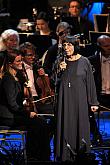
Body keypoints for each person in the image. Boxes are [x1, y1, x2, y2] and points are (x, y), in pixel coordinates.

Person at [0, 48, 50, 161]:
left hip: (14, 113)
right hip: (7, 116)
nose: (21, 63)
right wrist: (28, 113)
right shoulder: (8, 79)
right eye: (18, 61)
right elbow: (12, 105)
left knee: (42, 123)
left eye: (21, 60)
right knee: (39, 124)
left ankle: (39, 154)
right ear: (10, 64)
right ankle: (34, 156)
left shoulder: (17, 77)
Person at [55, 35, 99, 162]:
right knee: (66, 122)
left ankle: (82, 154)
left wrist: (93, 102)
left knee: (80, 123)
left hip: (80, 99)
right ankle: (66, 155)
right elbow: (54, 82)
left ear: (75, 46)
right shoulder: (60, 61)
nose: (66, 48)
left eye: (69, 45)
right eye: (64, 45)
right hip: (65, 99)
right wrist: (59, 70)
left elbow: (90, 82)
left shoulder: (84, 61)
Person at [88, 35, 110, 110]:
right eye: (106, 46)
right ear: (99, 47)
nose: (109, 48)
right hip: (98, 98)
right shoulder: (91, 61)